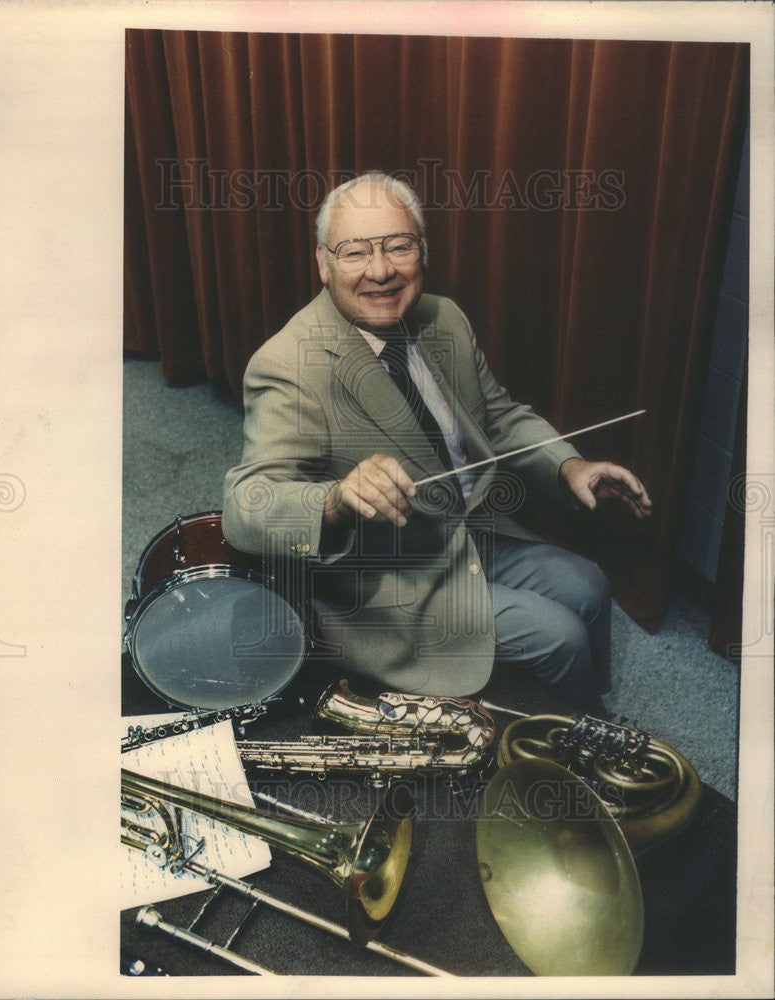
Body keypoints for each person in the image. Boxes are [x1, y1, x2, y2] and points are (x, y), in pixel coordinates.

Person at [222, 172, 652, 714]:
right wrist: (334, 500)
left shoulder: (442, 317)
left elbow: (495, 416)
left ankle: (582, 714)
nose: (380, 271)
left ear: (422, 250)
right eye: (354, 252)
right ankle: (568, 748)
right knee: (558, 635)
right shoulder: (288, 364)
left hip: (465, 532)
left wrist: (569, 467)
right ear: (323, 264)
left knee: (589, 584)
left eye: (398, 246)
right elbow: (244, 507)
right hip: (389, 580)